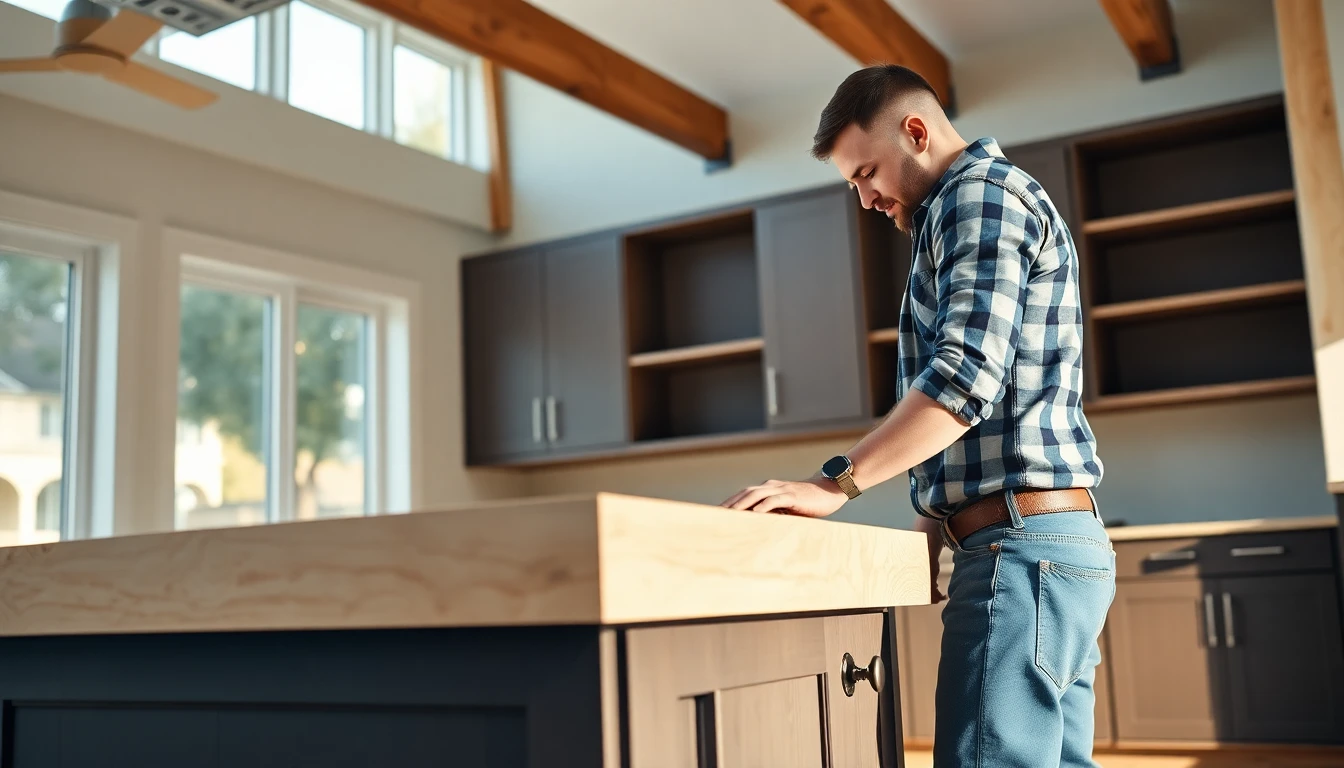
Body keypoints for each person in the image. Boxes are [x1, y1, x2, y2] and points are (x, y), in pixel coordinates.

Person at [719, 64, 1111, 768]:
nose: (864, 198)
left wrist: (832, 483)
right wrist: (933, 521)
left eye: (866, 173)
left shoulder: (979, 199)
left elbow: (964, 381)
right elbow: (988, 410)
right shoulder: (972, 208)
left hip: (1021, 549)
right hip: (1049, 546)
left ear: (917, 132)